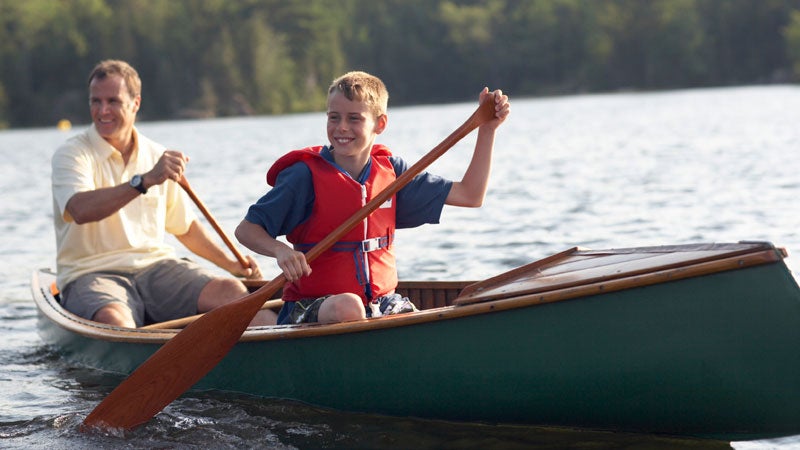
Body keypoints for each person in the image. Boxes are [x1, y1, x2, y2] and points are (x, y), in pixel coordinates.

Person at [235, 70, 510, 325]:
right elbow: (247, 230)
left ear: (380, 123)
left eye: (354, 118)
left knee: (410, 317)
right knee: (348, 308)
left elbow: (471, 194)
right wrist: (280, 251)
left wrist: (487, 131)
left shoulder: (392, 173)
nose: (341, 127)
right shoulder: (303, 176)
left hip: (382, 305)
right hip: (312, 308)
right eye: (334, 117)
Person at [51, 59, 277, 328]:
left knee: (231, 291)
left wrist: (231, 264)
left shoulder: (156, 155)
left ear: (135, 103)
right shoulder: (72, 154)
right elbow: (80, 210)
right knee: (115, 319)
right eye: (95, 101)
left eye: (113, 101)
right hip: (91, 272)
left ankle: (279, 345)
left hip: (155, 267)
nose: (102, 111)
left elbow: (185, 228)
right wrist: (143, 181)